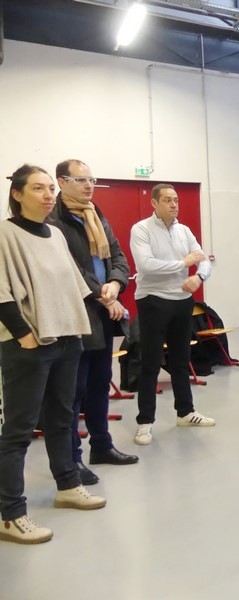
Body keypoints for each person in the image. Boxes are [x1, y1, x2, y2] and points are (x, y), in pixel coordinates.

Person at [0, 165, 106, 545]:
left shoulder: (56, 234)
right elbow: (1, 292)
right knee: (19, 430)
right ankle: (11, 514)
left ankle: (68, 485)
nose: (48, 195)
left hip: (67, 339)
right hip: (29, 343)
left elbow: (74, 285)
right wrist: (24, 335)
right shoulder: (5, 234)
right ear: (17, 194)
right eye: (37, 189)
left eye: (49, 188)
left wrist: (104, 300)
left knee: (62, 418)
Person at [52, 159, 138, 487]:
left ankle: (101, 446)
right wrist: (103, 294)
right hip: (75, 315)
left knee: (101, 383)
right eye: (81, 180)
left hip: (103, 313)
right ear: (62, 182)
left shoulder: (95, 215)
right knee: (73, 391)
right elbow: (68, 268)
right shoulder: (55, 220)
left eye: (92, 179)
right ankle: (71, 460)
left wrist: (115, 284)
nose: (89, 185)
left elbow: (118, 256)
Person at [130, 183, 216, 444]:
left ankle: (185, 412)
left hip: (182, 301)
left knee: (181, 360)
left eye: (176, 200)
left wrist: (199, 277)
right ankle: (145, 422)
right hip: (153, 300)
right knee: (151, 363)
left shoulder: (184, 230)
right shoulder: (141, 229)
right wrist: (183, 263)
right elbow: (146, 265)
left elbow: (202, 259)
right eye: (167, 200)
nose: (174, 204)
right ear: (154, 203)